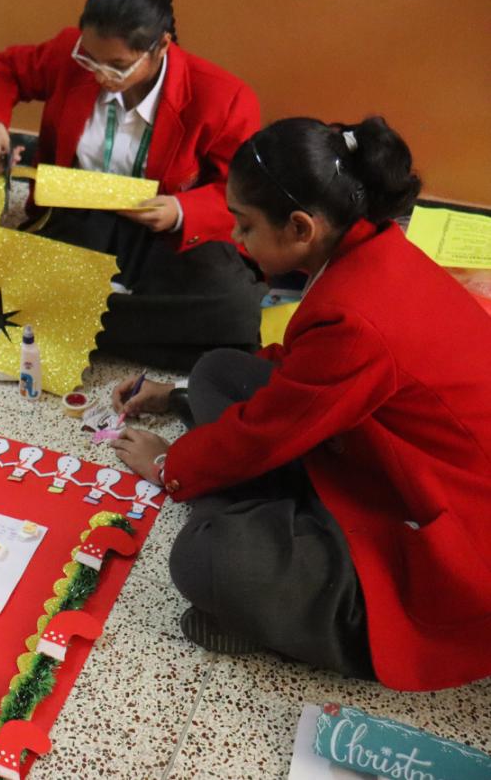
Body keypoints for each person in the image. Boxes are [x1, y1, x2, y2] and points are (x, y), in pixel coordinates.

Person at [110, 117, 491, 691]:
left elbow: (267, 430)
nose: (235, 239)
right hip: (375, 456)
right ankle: (260, 513)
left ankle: (287, 583)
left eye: (243, 225)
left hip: (448, 540)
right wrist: (176, 395)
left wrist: (170, 467)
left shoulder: (356, 318)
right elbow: (297, 381)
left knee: (206, 559)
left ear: (299, 227)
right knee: (217, 372)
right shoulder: (369, 250)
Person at [0, 0, 263, 369]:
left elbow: (239, 194)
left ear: (160, 47)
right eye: (89, 58)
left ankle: (73, 317)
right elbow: (3, 70)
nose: (99, 76)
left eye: (118, 65)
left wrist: (179, 211)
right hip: (80, 215)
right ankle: (118, 325)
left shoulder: (223, 97)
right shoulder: (70, 56)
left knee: (235, 309)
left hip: (161, 229)